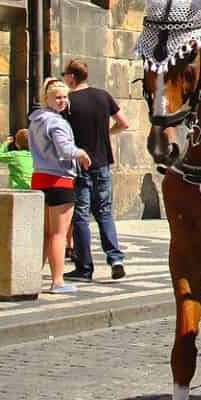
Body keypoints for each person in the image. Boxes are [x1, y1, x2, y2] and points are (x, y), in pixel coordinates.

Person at [63, 59, 129, 281]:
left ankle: (84, 266)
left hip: (81, 164)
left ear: (72, 77)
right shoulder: (103, 95)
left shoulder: (69, 101)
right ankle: (116, 258)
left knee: (81, 215)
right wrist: (107, 133)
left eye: (65, 75)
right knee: (104, 212)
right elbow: (124, 123)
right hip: (102, 162)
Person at [30, 79, 90, 294]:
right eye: (58, 97)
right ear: (47, 99)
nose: (63, 101)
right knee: (59, 234)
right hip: (59, 179)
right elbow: (65, 149)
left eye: (65, 97)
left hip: (39, 177)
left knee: (45, 233)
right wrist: (81, 153)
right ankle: (57, 281)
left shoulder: (35, 120)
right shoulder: (57, 122)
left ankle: (31, 276)